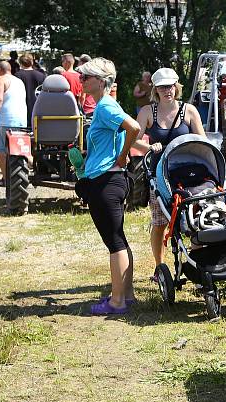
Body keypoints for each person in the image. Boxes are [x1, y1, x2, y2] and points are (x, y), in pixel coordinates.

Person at [74, 57, 141, 315]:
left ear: (100, 82)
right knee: (119, 240)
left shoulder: (104, 107)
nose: (81, 81)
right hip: (109, 179)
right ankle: (127, 295)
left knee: (115, 243)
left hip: (107, 181)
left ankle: (117, 301)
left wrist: (123, 156)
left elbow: (134, 128)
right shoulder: (107, 105)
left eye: (85, 77)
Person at [132, 67, 204, 275]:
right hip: (160, 175)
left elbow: (202, 141)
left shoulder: (189, 111)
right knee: (159, 223)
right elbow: (132, 140)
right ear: (156, 89)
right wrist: (148, 148)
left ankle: (195, 263)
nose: (167, 90)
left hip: (188, 174)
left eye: (170, 86)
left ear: (177, 87)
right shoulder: (147, 112)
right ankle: (159, 266)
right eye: (163, 87)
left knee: (194, 219)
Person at [0, 61, 26, 184]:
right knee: (20, 150)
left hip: (6, 120)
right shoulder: (19, 81)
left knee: (1, 151)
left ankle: (6, 180)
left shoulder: (0, 79)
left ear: (0, 69)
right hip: (21, 121)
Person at [15, 53, 45, 129]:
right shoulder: (41, 75)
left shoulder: (17, 76)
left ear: (20, 63)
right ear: (32, 62)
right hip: (38, 106)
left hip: (21, 107)